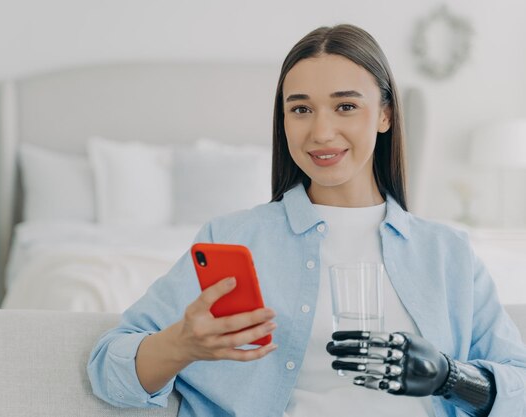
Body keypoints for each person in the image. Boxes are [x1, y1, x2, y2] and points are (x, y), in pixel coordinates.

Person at [87, 24, 526, 417]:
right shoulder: (234, 240)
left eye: (346, 107)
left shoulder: (446, 251)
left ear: (386, 115)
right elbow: (109, 368)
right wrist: (181, 344)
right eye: (301, 109)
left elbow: (519, 386)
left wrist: (451, 378)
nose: (320, 132)